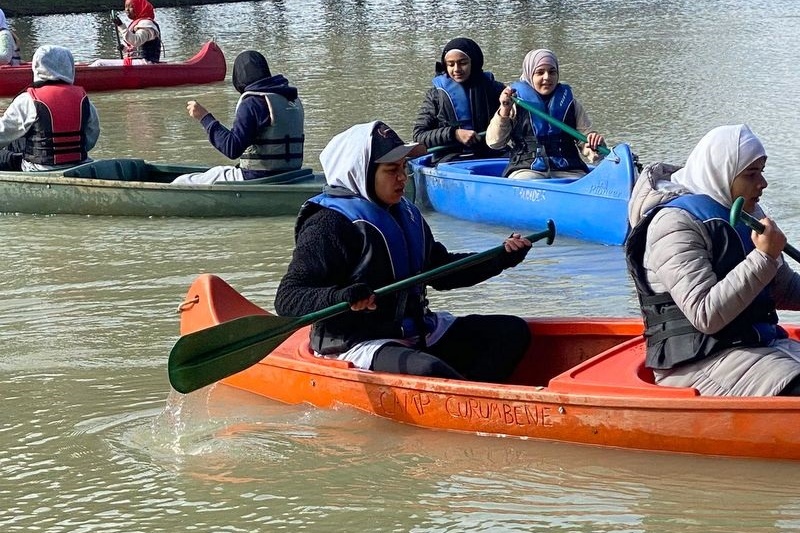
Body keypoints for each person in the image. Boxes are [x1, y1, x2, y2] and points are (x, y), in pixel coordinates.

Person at [274, 120, 533, 381]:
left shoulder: (406, 213)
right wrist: (343, 296)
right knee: (428, 371)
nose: (402, 178)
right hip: (357, 344)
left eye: (404, 168)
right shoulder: (329, 224)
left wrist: (500, 258)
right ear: (362, 172)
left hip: (416, 332)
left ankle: (478, 403)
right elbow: (287, 299)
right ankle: (469, 404)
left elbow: (442, 272)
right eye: (391, 170)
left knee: (511, 331)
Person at [626, 124, 800, 397]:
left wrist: (767, 258)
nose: (762, 183)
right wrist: (764, 256)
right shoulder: (673, 224)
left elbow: (785, 288)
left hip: (756, 348)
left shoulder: (745, 212)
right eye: (751, 174)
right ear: (723, 172)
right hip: (698, 363)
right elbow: (705, 314)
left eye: (761, 172)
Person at [171, 50, 304, 184]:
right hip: (292, 174)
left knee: (181, 181)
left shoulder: (253, 103)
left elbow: (232, 148)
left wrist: (204, 117)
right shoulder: (292, 100)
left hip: (257, 177)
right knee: (216, 172)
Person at [486, 48, 605, 179]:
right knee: (527, 181)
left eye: (552, 72)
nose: (547, 77)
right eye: (540, 73)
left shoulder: (572, 104)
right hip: (527, 169)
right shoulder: (514, 102)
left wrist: (594, 144)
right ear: (530, 74)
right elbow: (495, 143)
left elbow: (588, 146)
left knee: (583, 183)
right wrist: (504, 109)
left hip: (568, 169)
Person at [0, 45, 100, 172]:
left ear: (36, 66)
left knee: (5, 154)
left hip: (39, 168)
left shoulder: (28, 99)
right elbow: (91, 138)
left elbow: (2, 134)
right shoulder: (84, 100)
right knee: (17, 143)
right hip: (79, 164)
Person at [412, 37, 507, 164]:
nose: (456, 69)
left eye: (463, 63)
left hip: (493, 156)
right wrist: (454, 134)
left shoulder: (496, 89)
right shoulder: (435, 95)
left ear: (474, 62)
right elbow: (419, 135)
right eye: (451, 64)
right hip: (451, 160)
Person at [89, 0, 161, 67]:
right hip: (139, 61)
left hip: (146, 62)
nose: (127, 9)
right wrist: (124, 49)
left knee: (99, 63)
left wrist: (121, 25)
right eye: (126, 7)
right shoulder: (138, 23)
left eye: (131, 7)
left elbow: (136, 41)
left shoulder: (146, 24)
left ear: (140, 8)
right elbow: (136, 49)